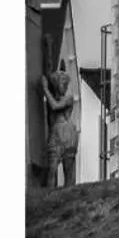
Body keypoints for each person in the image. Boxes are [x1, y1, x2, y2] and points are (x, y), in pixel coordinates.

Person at [42, 60, 80, 189]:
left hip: (67, 132)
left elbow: (55, 106)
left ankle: (68, 193)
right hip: (55, 133)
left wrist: (45, 89)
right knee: (51, 168)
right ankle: (49, 194)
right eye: (62, 83)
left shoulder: (68, 98)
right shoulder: (54, 97)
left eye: (66, 83)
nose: (65, 86)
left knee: (68, 169)